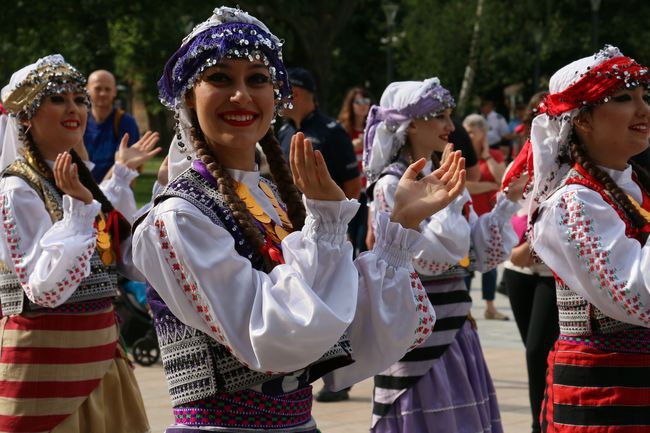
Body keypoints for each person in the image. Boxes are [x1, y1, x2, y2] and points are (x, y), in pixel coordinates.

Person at [132, 7, 466, 433]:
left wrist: (400, 227)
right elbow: (276, 335)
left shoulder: (271, 198)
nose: (242, 95)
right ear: (187, 98)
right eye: (220, 78)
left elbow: (343, 334)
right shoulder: (178, 218)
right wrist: (326, 224)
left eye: (257, 78)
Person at [0, 54, 159, 433]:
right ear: (25, 117)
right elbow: (44, 288)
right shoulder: (16, 189)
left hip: (104, 360)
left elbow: (122, 257)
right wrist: (79, 211)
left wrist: (134, 182)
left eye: (78, 99)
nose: (73, 108)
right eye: (57, 99)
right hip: (46, 367)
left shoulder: (77, 182)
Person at [364, 77, 525, 433]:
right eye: (441, 117)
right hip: (418, 333)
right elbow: (428, 258)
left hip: (454, 327)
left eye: (450, 116)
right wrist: (449, 208)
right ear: (412, 122)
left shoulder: (440, 176)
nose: (451, 127)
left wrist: (506, 202)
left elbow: (473, 256)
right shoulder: (391, 184)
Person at [504, 45, 650, 433]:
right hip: (607, 395)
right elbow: (636, 297)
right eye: (623, 98)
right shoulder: (573, 201)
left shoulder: (634, 187)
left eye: (643, 96)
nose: (643, 109)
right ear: (582, 119)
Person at [501, 92, 559, 433]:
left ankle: (543, 426)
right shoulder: (517, 167)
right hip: (518, 272)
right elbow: (503, 221)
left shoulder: (566, 167)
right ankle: (542, 418)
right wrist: (518, 250)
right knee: (535, 353)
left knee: (539, 351)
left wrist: (533, 249)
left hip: (551, 275)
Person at [278, 67, 361, 200]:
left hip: (328, 219)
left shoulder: (333, 132)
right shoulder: (284, 132)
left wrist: (334, 219)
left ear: (295, 93)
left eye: (280, 91)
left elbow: (353, 187)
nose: (276, 97)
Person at [463, 113, 509, 320]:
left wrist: (487, 155)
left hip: (489, 218)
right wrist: (490, 186)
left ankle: (490, 307)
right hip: (468, 218)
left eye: (472, 131)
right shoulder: (461, 155)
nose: (468, 135)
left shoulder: (495, 154)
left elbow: (502, 178)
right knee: (465, 266)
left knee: (490, 266)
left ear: (483, 133)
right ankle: (465, 309)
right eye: (467, 131)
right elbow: (465, 185)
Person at [84, 69, 141, 181]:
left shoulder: (125, 121)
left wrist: (101, 191)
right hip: (82, 190)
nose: (103, 93)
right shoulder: (79, 120)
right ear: (87, 89)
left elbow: (123, 162)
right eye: (98, 88)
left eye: (107, 89)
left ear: (114, 91)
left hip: (114, 190)